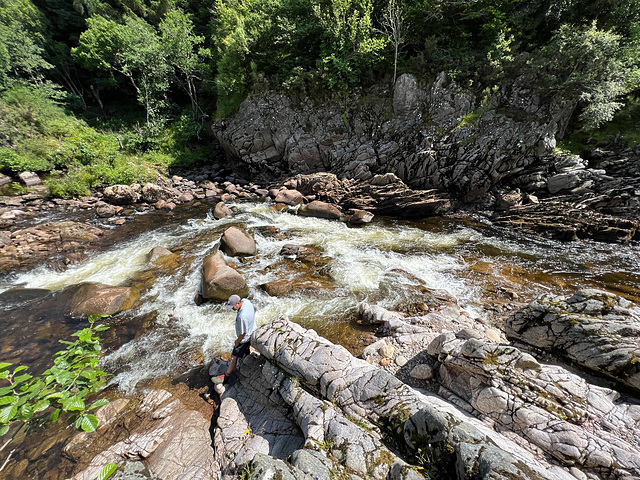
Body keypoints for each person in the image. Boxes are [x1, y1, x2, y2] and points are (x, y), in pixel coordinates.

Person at [213, 294, 256, 384]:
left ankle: (226, 376)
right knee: (245, 350)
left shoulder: (242, 317)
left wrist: (237, 342)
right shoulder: (247, 302)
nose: (232, 309)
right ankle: (245, 357)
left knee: (233, 358)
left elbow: (243, 334)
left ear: (238, 303)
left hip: (245, 338)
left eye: (233, 307)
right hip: (253, 329)